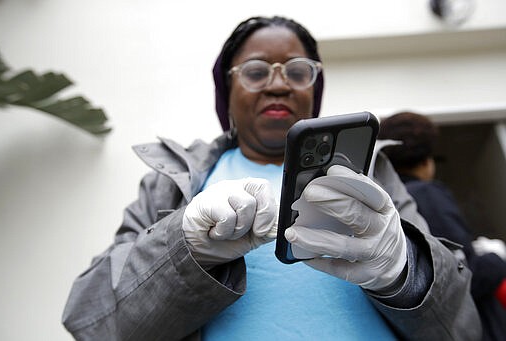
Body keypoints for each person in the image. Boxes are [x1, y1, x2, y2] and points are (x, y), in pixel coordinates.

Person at [62, 17, 481, 340]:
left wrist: (404, 270)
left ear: (314, 90)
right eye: (256, 71)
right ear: (227, 92)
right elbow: (94, 320)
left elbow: (463, 327)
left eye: (297, 72)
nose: (278, 84)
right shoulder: (171, 180)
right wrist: (184, 245)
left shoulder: (375, 175)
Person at [378, 111, 506, 341]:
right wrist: (495, 257)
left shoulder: (385, 203)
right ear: (427, 161)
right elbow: (462, 275)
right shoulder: (426, 194)